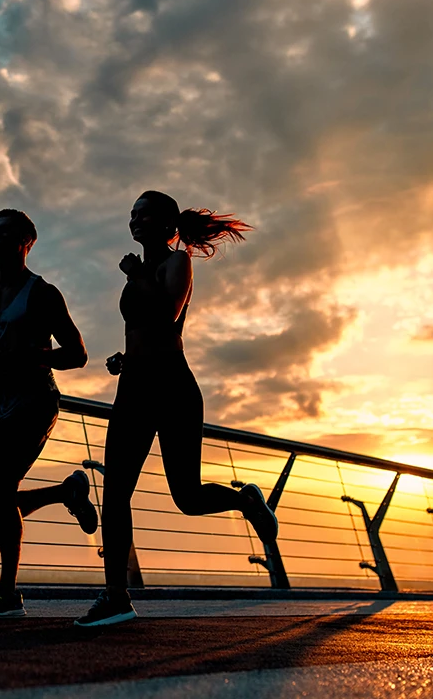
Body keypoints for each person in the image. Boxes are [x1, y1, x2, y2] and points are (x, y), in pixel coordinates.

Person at [75, 191, 278, 627]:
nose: (136, 219)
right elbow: (144, 330)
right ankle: (116, 596)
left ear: (168, 225)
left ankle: (244, 501)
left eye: (146, 214)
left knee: (186, 497)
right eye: (132, 213)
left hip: (172, 386)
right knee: (115, 493)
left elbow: (167, 314)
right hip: (134, 386)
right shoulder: (142, 271)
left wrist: (135, 275)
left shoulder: (177, 263)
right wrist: (125, 358)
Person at [0, 208, 97, 617]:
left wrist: (41, 355)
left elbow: (78, 354)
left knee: (1, 498)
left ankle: (7, 592)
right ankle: (64, 492)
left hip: (36, 403)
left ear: (25, 242)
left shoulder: (43, 294)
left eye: (5, 231)